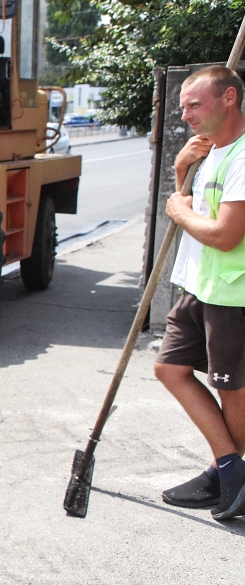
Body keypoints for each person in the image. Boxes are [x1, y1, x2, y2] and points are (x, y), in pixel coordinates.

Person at [155, 65, 245, 521]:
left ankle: (224, 474)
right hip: (198, 283)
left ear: (229, 98)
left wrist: (176, 209)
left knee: (232, 391)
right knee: (170, 368)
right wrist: (179, 170)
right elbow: (194, 210)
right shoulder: (211, 151)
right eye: (183, 106)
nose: (185, 114)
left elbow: (226, 235)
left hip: (233, 293)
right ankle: (231, 468)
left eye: (194, 104)